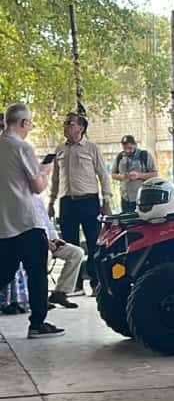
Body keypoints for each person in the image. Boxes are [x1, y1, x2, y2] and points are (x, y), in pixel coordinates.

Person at [0, 103, 64, 337]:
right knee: (37, 274)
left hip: (3, 224)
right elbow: (37, 187)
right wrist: (45, 171)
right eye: (30, 124)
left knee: (4, 272)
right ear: (24, 123)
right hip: (27, 222)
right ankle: (37, 323)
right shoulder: (22, 148)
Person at [47, 112, 112, 293]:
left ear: (81, 128)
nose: (65, 126)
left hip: (89, 201)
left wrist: (106, 200)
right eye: (65, 123)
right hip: (67, 202)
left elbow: (103, 175)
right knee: (69, 244)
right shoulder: (60, 149)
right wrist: (51, 201)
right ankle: (74, 285)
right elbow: (55, 178)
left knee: (93, 242)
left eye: (70, 123)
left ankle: (95, 282)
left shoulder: (92, 148)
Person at [111, 135, 158, 214]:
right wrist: (121, 177)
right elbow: (113, 174)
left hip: (141, 198)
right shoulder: (120, 157)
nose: (127, 151)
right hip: (125, 198)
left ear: (135, 145)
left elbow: (155, 174)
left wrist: (139, 175)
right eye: (125, 148)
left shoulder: (144, 155)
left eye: (130, 148)